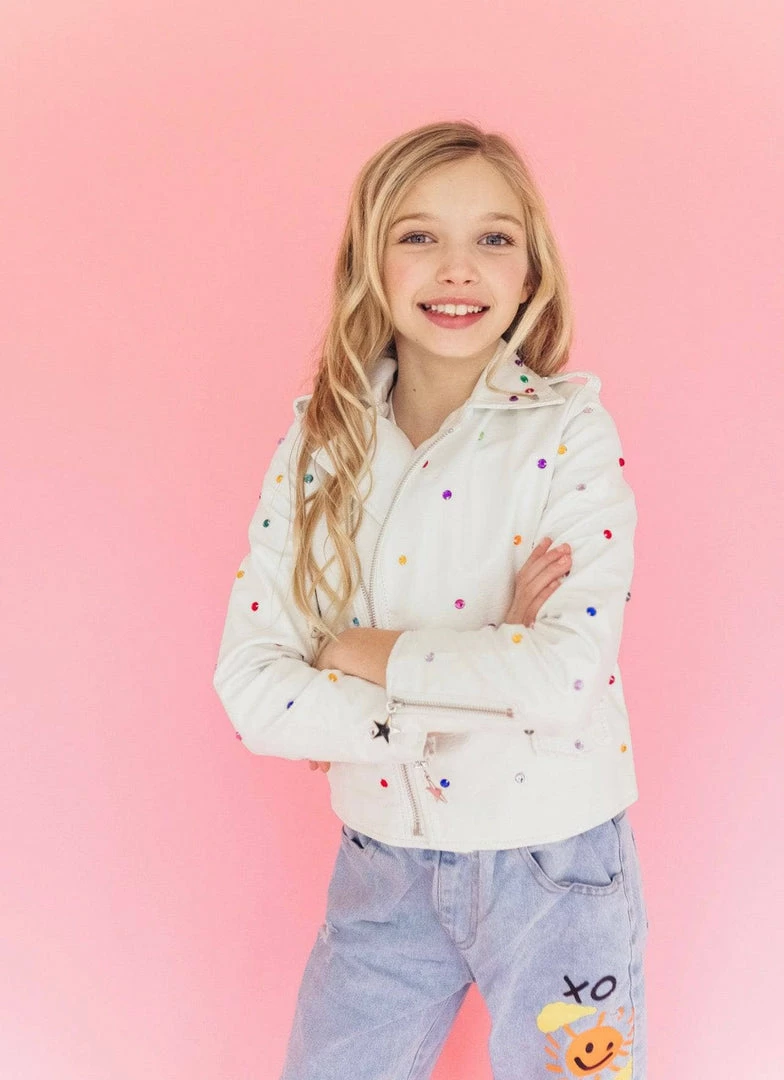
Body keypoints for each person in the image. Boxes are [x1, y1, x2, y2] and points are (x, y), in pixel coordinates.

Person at [212, 120, 649, 1080]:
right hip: (383, 861)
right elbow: (251, 688)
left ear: (530, 272)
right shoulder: (319, 445)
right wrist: (487, 660)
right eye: (419, 236)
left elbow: (563, 679)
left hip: (554, 862)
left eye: (493, 238)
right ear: (371, 261)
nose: (458, 268)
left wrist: (352, 655)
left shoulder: (570, 430)